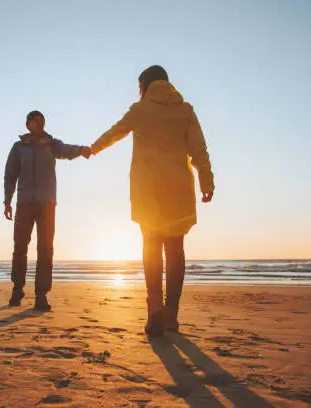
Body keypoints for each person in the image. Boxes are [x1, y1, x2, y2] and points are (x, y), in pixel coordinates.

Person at [90, 66, 215, 337]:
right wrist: (207, 181)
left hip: (147, 191)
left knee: (151, 245)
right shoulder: (186, 110)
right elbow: (199, 149)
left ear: (145, 84)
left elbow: (115, 132)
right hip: (178, 190)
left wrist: (93, 149)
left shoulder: (140, 109)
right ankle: (171, 315)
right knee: (175, 249)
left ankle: (154, 309)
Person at [4, 110, 91, 311]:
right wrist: (7, 201)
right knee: (20, 248)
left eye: (43, 120)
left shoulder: (51, 144)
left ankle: (41, 295)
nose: (40, 122)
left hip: (46, 204)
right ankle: (17, 290)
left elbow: (67, 150)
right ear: (28, 124)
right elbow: (10, 175)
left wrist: (82, 150)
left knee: (45, 249)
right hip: (24, 203)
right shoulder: (18, 148)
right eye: (36, 120)